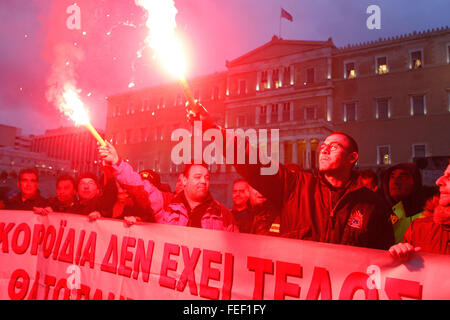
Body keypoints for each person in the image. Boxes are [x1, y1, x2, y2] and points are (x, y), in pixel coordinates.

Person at [98, 142, 238, 232]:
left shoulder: (223, 214)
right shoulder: (167, 204)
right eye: (197, 177)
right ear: (183, 180)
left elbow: (235, 248)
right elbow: (139, 186)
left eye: (207, 178)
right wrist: (117, 162)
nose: (203, 181)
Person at [389, 162, 450, 260]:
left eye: (449, 177)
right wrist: (399, 255)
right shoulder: (419, 228)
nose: (438, 181)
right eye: (392, 177)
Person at [381, 163, 427, 243]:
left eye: (402, 177)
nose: (395, 182)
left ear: (415, 181)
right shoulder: (381, 211)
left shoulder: (427, 216)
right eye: (392, 177)